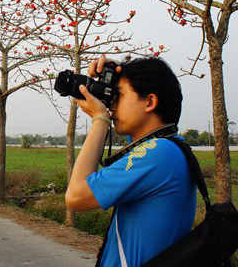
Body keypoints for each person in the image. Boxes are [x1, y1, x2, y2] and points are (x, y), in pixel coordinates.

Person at [66, 55, 196, 266]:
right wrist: (116, 74)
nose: (112, 104)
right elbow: (137, 139)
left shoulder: (159, 153)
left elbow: (75, 197)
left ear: (150, 102)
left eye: (120, 96)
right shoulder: (168, 148)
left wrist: (100, 120)